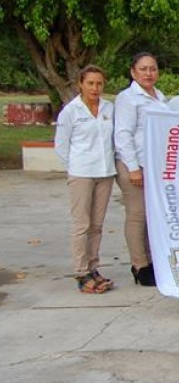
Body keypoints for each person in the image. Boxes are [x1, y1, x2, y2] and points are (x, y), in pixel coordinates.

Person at [56, 65, 116, 294]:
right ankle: (81, 271)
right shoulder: (71, 111)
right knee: (82, 224)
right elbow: (61, 145)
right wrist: (73, 169)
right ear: (81, 84)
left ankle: (94, 266)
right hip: (81, 172)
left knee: (97, 225)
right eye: (90, 83)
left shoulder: (108, 108)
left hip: (105, 172)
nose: (95, 88)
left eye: (99, 83)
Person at [113, 52, 166, 286]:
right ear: (133, 72)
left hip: (153, 166)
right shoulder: (127, 98)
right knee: (137, 215)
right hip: (133, 164)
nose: (148, 73)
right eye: (143, 69)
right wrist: (133, 168)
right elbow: (123, 134)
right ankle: (139, 265)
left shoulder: (159, 96)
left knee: (151, 216)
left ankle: (152, 261)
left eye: (152, 68)